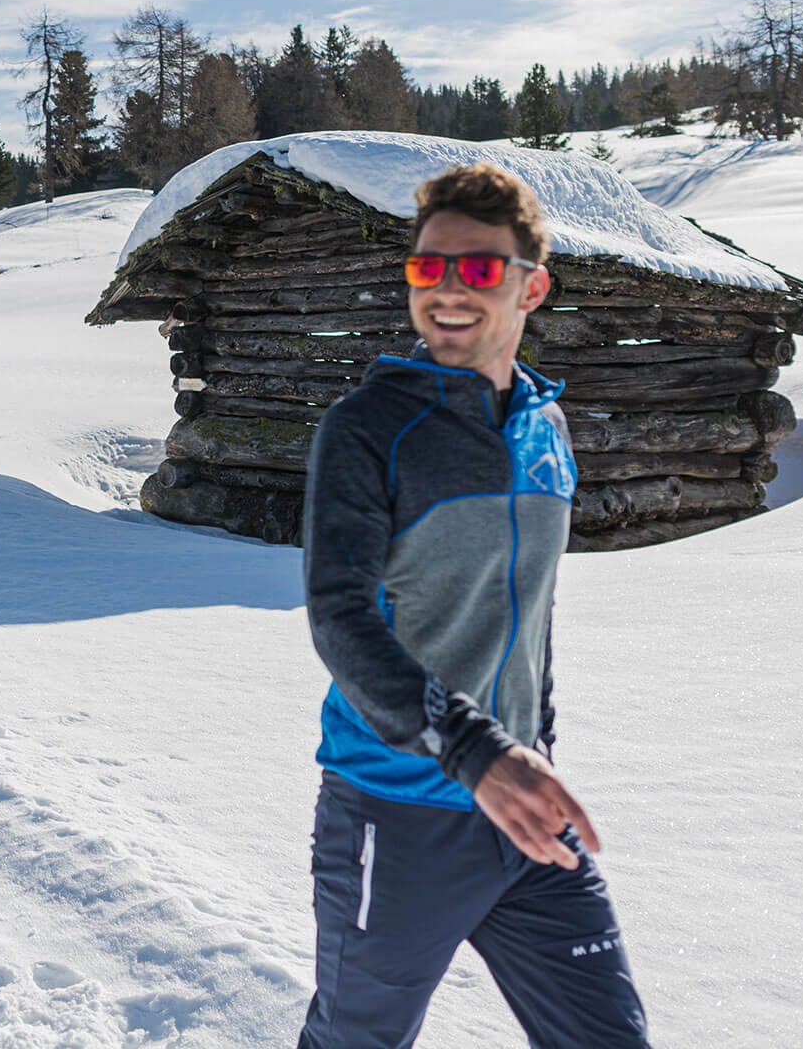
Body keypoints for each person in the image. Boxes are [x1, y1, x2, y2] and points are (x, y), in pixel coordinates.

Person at [297, 162, 648, 1048]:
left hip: (524, 808)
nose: (449, 290)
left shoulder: (544, 426)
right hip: (397, 809)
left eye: (480, 269)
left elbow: (533, 616)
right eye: (429, 268)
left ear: (534, 287)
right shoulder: (370, 427)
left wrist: (530, 750)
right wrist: (474, 751)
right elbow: (340, 619)